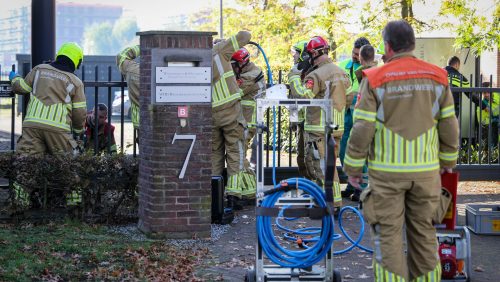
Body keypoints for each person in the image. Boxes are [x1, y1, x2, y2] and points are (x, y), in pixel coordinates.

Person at [344, 20, 459, 281]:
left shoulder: (374, 78)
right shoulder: (438, 77)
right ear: (413, 44)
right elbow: (449, 124)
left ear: (387, 46)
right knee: (425, 240)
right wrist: (448, 161)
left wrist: (352, 168)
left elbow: (362, 128)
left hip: (386, 176)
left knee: (388, 240)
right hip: (427, 175)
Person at [288, 36, 349, 211]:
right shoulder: (341, 71)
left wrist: (293, 78)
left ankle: (327, 205)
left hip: (319, 130)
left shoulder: (316, 75)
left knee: (320, 168)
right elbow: (350, 97)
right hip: (336, 128)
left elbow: (302, 97)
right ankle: (335, 203)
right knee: (331, 167)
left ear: (313, 53)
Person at [10, 42, 87, 155]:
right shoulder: (76, 82)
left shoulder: (39, 70)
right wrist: (78, 131)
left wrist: (15, 78)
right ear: (77, 62)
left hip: (32, 126)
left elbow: (21, 88)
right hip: (58, 129)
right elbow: (79, 112)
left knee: (27, 165)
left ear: (58, 55)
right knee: (66, 165)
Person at [212, 31, 256, 209]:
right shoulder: (220, 52)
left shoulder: (200, 59)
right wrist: (226, 43)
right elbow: (245, 35)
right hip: (231, 115)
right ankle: (233, 197)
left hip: (211, 117)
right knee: (235, 154)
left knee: (213, 156)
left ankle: (214, 199)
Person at [337, 37, 370, 201]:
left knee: (359, 154)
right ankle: (352, 184)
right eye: (353, 53)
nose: (355, 56)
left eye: (358, 54)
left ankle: (362, 188)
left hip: (361, 115)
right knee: (343, 151)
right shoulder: (342, 66)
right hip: (345, 113)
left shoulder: (370, 70)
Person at [230, 47, 266, 169]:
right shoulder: (247, 72)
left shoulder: (250, 76)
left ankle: (245, 183)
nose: (230, 68)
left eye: (232, 64)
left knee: (238, 155)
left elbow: (232, 93)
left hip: (247, 122)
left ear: (241, 63)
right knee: (238, 154)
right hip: (244, 120)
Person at [288, 40, 312, 179]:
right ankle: (306, 186)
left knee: (310, 159)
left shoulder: (312, 73)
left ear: (304, 54)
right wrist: (293, 121)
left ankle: (313, 188)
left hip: (310, 123)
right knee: (301, 158)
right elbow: (292, 99)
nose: (293, 56)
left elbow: (302, 95)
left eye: (295, 53)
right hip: (300, 123)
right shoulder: (298, 72)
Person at [116, 45, 140, 134]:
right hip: (165, 120)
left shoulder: (135, 70)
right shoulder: (171, 74)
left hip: (140, 121)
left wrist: (146, 46)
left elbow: (121, 56)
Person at [477, 82, 499, 149]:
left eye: (488, 92)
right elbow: (482, 121)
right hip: (491, 126)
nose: (486, 95)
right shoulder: (481, 105)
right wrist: (493, 120)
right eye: (484, 93)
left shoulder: (498, 96)